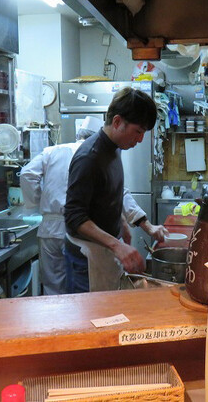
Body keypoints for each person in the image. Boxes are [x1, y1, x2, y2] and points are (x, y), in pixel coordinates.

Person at [20, 116, 157, 295]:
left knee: (53, 287)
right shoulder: (96, 155)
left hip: (51, 227)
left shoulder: (52, 151)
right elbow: (120, 192)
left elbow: (27, 174)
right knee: (80, 288)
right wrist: (137, 222)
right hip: (83, 227)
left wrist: (38, 202)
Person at [63, 87, 166, 293]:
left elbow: (113, 189)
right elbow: (74, 217)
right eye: (138, 132)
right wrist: (117, 245)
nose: (140, 140)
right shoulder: (89, 157)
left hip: (105, 249)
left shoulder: (113, 148)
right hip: (87, 257)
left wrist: (131, 223)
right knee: (92, 311)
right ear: (117, 122)